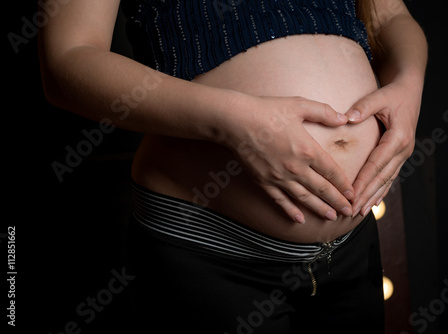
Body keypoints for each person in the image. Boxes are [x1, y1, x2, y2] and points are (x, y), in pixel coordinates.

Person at [39, 0, 427, 332]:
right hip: (209, 248)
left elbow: (389, 15)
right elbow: (67, 59)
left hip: (351, 246)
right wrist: (234, 120)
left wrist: (410, 84)